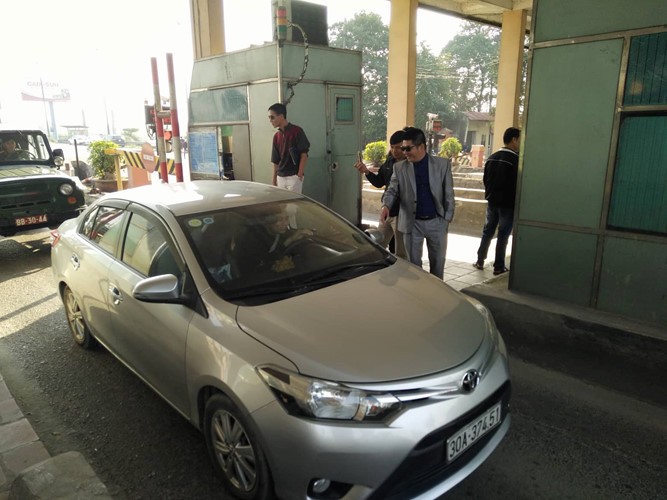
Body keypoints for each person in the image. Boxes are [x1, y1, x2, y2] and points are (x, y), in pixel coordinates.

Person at [380, 126, 455, 279]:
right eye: (403, 148)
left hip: (437, 222)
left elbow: (449, 194)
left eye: (408, 148)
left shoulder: (442, 165)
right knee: (413, 268)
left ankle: (437, 297)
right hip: (412, 224)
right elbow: (392, 190)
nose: (405, 152)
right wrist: (386, 205)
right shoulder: (399, 167)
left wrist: (446, 219)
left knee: (438, 265)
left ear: (421, 147)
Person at [473, 127, 521, 275]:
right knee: (503, 234)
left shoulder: (492, 157)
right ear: (514, 140)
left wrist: (490, 195)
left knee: (488, 231)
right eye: (520, 139)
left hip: (492, 202)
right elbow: (517, 184)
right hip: (508, 204)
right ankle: (498, 266)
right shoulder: (516, 160)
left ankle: (480, 260)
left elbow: (485, 180)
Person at [354, 130, 407, 258]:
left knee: (401, 252)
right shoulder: (389, 162)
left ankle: (403, 275)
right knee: (378, 246)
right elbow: (379, 182)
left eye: (398, 147)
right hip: (387, 211)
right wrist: (366, 171)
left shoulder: (410, 165)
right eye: (392, 147)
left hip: (403, 213)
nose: (395, 151)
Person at [268, 103, 310, 193]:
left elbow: (304, 154)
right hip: (280, 177)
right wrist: (274, 179)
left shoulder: (297, 131)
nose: (270, 121)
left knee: (294, 205)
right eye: (269, 118)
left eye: (272, 117)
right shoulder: (276, 136)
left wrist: (299, 175)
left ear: (281, 116)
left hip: (294, 176)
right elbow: (276, 161)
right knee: (282, 205)